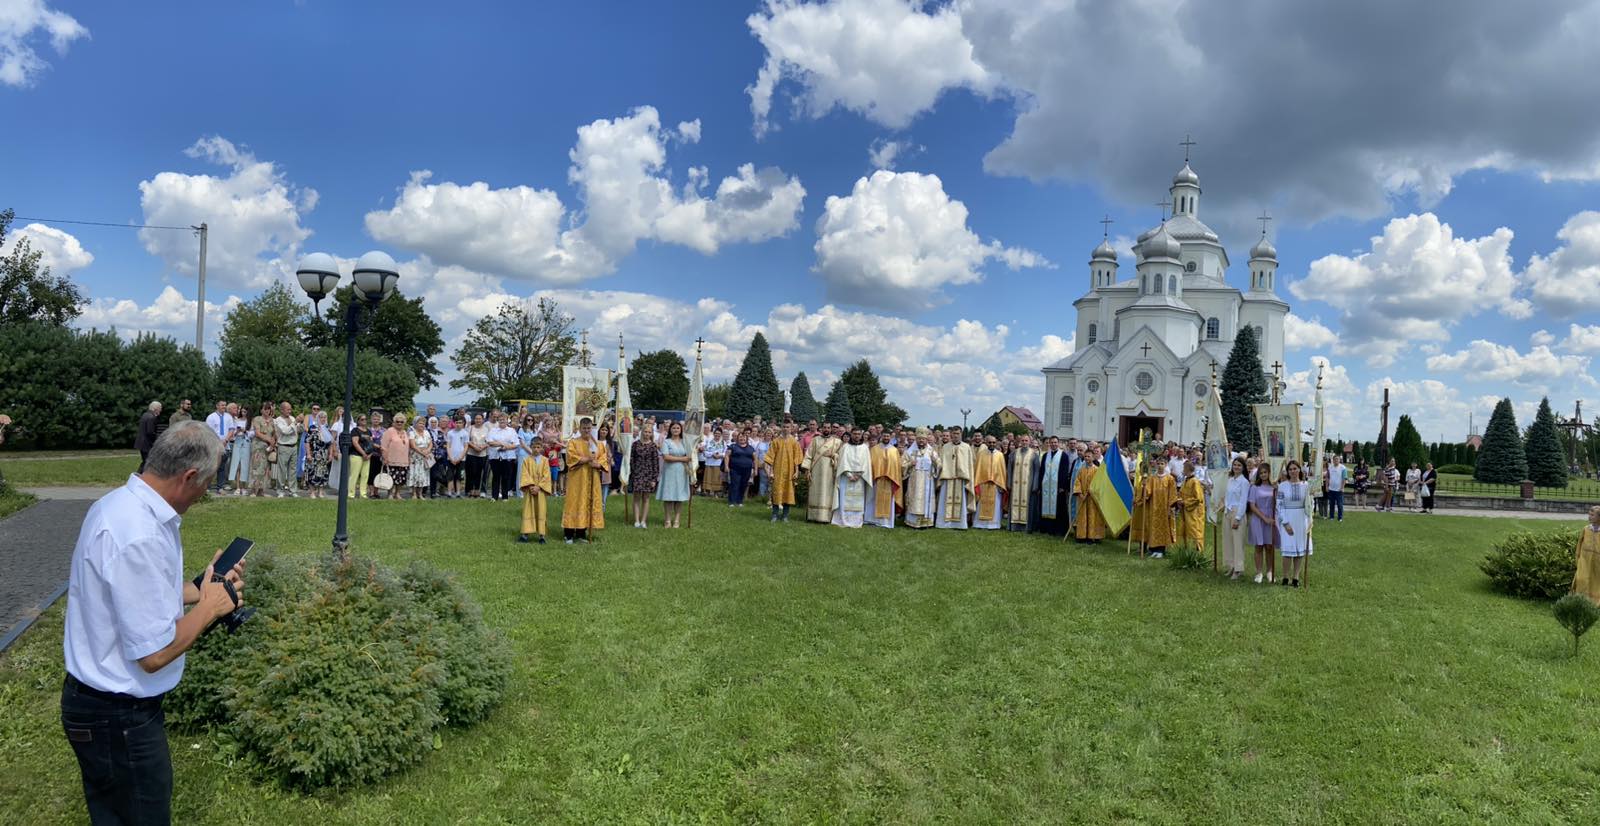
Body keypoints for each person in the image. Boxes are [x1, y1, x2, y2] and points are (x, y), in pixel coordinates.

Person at [60, 421, 246, 826]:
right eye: (208, 484)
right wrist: (211, 608)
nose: (205, 494)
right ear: (189, 476)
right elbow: (154, 652)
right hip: (118, 717)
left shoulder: (118, 506)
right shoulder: (139, 533)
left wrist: (201, 588)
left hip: (103, 710)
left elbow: (136, 595)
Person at [562, 417, 608, 543]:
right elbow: (571, 458)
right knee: (574, 503)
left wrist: (598, 464)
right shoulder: (573, 442)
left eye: (589, 428)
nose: (586, 431)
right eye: (584, 428)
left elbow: (603, 459)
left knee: (587, 503)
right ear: (580, 429)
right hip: (577, 479)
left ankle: (582, 533)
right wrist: (588, 459)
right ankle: (569, 534)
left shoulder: (597, 444)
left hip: (592, 478)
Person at [1277, 460, 1311, 587]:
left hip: (1301, 518)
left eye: (1295, 468)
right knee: (1287, 549)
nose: (1293, 471)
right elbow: (1279, 505)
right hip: (1287, 517)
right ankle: (1285, 577)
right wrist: (1285, 522)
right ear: (1288, 471)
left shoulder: (1306, 485)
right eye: (1290, 469)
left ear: (1299, 470)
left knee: (1299, 549)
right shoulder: (1282, 486)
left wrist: (1309, 518)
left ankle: (1295, 577)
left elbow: (1309, 503)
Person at [1032, 436, 1073, 537]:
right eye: (1052, 442)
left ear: (1058, 443)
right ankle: (1046, 528)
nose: (1053, 444)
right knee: (1045, 507)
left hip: (1058, 488)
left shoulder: (1063, 456)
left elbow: (1065, 472)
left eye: (1055, 442)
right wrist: (1040, 486)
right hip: (1046, 487)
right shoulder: (1046, 455)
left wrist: (1062, 486)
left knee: (1059, 508)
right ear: (1049, 444)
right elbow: (1042, 471)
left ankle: (1058, 530)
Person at [801, 424, 843, 523]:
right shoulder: (815, 440)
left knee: (827, 492)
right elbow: (809, 455)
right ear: (821, 428)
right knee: (815, 490)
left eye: (828, 428)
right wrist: (807, 470)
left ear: (831, 429)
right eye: (825, 427)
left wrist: (835, 456)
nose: (826, 429)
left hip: (830, 470)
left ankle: (826, 517)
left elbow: (841, 456)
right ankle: (812, 516)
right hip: (816, 469)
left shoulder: (837, 442)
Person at [830, 430, 872, 528]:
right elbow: (842, 462)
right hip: (846, 477)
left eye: (858, 434)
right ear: (851, 435)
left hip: (860, 478)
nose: (857, 436)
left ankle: (856, 521)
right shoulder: (845, 447)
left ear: (861, 435)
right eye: (855, 434)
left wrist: (858, 475)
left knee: (858, 500)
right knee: (844, 499)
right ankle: (843, 520)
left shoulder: (865, 448)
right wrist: (849, 475)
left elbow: (866, 464)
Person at [935, 427, 975, 529]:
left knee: (960, 502)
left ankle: (960, 524)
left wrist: (968, 476)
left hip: (961, 478)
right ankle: (943, 523)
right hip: (947, 478)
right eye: (953, 433)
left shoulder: (966, 447)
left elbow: (969, 464)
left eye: (957, 433)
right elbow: (941, 461)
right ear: (951, 434)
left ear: (961, 434)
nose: (955, 435)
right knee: (945, 501)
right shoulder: (946, 447)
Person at [1137, 463, 1178, 559]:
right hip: (1154, 507)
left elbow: (1173, 493)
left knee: (1163, 529)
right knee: (1153, 528)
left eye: (1162, 464)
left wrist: (1170, 507)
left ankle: (1161, 550)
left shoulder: (1170, 479)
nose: (1160, 465)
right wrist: (1144, 487)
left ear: (1165, 465)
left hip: (1164, 508)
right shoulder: (1152, 478)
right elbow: (1148, 492)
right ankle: (1153, 549)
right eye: (1158, 464)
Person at [764, 422, 802, 523]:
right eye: (784, 427)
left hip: (790, 472)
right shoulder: (776, 442)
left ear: (791, 428)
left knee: (788, 494)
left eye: (788, 427)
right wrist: (770, 472)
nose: (786, 429)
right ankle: (775, 515)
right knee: (776, 492)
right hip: (778, 472)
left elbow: (797, 458)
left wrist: (797, 471)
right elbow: (771, 457)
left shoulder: (794, 442)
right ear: (781, 428)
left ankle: (785, 515)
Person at [1247, 465, 1278, 584]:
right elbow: (1252, 506)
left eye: (1265, 472)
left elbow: (1278, 502)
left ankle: (1269, 571)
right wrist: (1264, 518)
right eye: (1261, 473)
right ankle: (1259, 572)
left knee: (1269, 546)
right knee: (1259, 546)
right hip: (1258, 517)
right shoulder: (1255, 487)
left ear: (1270, 473)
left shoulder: (1274, 487)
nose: (1263, 475)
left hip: (1271, 517)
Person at [518, 443, 553, 544]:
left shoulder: (545, 460)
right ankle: (525, 534)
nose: (536, 449)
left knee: (541, 511)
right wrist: (531, 486)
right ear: (531, 447)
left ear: (542, 448)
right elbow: (525, 474)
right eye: (534, 447)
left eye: (538, 447)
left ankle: (542, 535)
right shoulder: (526, 460)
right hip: (530, 490)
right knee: (528, 510)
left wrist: (539, 487)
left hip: (540, 490)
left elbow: (546, 475)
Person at [1221, 457, 1250, 580]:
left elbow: (1243, 501)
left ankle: (1238, 569)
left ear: (1243, 467)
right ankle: (1231, 565)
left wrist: (1238, 518)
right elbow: (1226, 496)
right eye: (1235, 465)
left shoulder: (1244, 482)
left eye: (1239, 465)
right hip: (1228, 511)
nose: (1236, 467)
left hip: (1237, 512)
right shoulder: (1230, 480)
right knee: (1228, 540)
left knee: (1238, 542)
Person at [865, 431, 902, 528]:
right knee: (873, 499)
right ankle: (872, 520)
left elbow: (897, 466)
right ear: (881, 436)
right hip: (877, 479)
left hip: (890, 480)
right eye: (884, 435)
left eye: (888, 436)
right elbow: (871, 464)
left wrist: (891, 474)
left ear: (890, 437)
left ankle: (886, 522)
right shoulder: (874, 449)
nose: (886, 437)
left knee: (888, 500)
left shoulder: (894, 450)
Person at [658, 421, 691, 528]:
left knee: (679, 497)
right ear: (670, 430)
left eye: (678, 428)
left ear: (681, 430)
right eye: (673, 428)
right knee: (669, 496)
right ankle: (667, 519)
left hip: (682, 472)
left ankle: (677, 520)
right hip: (669, 471)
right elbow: (666, 457)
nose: (676, 430)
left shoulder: (685, 442)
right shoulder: (666, 442)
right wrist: (682, 458)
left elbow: (690, 455)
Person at [971, 435, 1007, 530]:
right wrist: (978, 482)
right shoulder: (981, 454)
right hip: (983, 483)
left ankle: (993, 524)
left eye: (994, 442)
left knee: (995, 505)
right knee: (981, 504)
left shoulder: (1000, 455)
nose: (992, 444)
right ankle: (980, 524)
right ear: (986, 443)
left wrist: (1000, 483)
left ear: (996, 443)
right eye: (990, 442)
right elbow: (978, 469)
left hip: (995, 484)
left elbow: (1002, 470)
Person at [628, 427, 661, 528]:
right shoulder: (635, 444)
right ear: (642, 432)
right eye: (645, 432)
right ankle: (636, 520)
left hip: (648, 474)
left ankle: (643, 521)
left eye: (649, 432)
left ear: (651, 433)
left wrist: (654, 479)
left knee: (646, 497)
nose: (647, 434)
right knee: (636, 497)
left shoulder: (653, 446)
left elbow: (655, 463)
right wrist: (632, 473)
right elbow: (631, 459)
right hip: (637, 473)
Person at [1073, 445, 1106, 543]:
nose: (1087, 458)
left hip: (1093, 499)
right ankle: (1082, 535)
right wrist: (1080, 494)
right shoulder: (1081, 470)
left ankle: (1093, 536)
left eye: (1089, 456)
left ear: (1093, 457)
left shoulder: (1097, 470)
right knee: (1083, 516)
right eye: (1086, 456)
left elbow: (1099, 483)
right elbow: (1077, 482)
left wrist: (1092, 491)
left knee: (1093, 516)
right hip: (1082, 497)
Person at [1008, 436, 1039, 532]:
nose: (1024, 442)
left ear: (1029, 442)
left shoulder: (1034, 454)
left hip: (1028, 486)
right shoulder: (1013, 453)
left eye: (1026, 440)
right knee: (1014, 504)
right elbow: (1009, 469)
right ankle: (1013, 526)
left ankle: (1027, 528)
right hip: (1015, 485)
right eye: (1023, 440)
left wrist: (1035, 485)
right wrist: (1009, 482)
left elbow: (1037, 471)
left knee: (1028, 506)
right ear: (1020, 442)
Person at [272, 402, 301, 498]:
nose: (290, 411)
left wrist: (300, 424)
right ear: (282, 410)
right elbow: (285, 431)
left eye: (290, 409)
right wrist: (295, 422)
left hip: (294, 446)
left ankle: (292, 490)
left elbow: (297, 431)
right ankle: (280, 490)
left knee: (292, 470)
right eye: (288, 409)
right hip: (284, 446)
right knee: (282, 470)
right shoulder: (278, 420)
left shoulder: (292, 418)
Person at [381, 413, 412, 499]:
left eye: (401, 422)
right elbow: (384, 446)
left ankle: (397, 493)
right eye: (397, 421)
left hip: (403, 460)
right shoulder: (389, 431)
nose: (399, 423)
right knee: (391, 477)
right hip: (391, 459)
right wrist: (385, 457)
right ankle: (390, 493)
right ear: (394, 422)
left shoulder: (405, 432)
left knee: (401, 478)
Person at [204, 401, 233, 492]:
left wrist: (226, 440)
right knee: (211, 467)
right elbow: (208, 431)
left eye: (225, 405)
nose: (224, 407)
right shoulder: (211, 417)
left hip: (225, 445)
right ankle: (207, 487)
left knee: (222, 467)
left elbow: (231, 429)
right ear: (217, 406)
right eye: (222, 405)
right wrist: (218, 441)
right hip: (214, 444)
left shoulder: (228, 417)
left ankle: (220, 487)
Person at [1572, 506, 1600, 602]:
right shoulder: (1586, 529)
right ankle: (1579, 600)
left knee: (1595, 582)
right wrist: (1578, 558)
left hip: (1597, 562)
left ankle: (1594, 602)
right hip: (1584, 560)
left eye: (1592, 515)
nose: (1589, 517)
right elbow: (1579, 544)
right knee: (1581, 579)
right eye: (1589, 514)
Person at [1178, 460, 1206, 553]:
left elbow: (1198, 498)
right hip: (1186, 511)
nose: (1183, 470)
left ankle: (1197, 551)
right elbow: (1182, 493)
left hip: (1194, 512)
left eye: (1184, 468)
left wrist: (1184, 502)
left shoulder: (1195, 481)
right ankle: (1187, 550)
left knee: (1194, 530)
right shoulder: (1186, 480)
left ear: (1188, 469)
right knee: (1186, 529)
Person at [305, 410, 334, 499]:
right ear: (318, 418)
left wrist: (330, 454)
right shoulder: (313, 428)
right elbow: (307, 441)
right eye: (321, 417)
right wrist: (308, 454)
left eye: (325, 417)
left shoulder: (328, 428)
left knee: (323, 473)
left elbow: (331, 443)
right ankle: (312, 492)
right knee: (312, 472)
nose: (323, 419)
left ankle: (321, 492)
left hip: (324, 454)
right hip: (314, 453)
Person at [725, 431, 756, 507]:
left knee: (743, 485)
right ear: (738, 438)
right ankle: (731, 501)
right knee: (735, 484)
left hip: (747, 470)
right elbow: (727, 456)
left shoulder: (751, 448)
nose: (742, 438)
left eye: (744, 437)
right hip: (735, 469)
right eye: (740, 437)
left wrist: (756, 470)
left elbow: (755, 459)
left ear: (747, 439)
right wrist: (726, 466)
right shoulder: (732, 446)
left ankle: (739, 501)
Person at [409, 417, 434, 501]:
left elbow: (431, 444)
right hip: (415, 457)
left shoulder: (427, 432)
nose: (421, 425)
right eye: (420, 423)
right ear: (415, 424)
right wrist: (423, 453)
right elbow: (413, 445)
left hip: (425, 458)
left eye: (423, 424)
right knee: (415, 474)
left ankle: (420, 494)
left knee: (423, 476)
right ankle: (414, 494)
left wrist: (427, 451)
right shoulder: (412, 433)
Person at [348, 413, 372, 499]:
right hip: (356, 455)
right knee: (354, 475)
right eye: (362, 419)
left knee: (365, 475)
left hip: (367, 456)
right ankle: (351, 494)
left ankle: (363, 493)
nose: (364, 421)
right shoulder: (355, 430)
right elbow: (355, 443)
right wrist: (363, 453)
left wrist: (370, 454)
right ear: (358, 421)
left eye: (365, 419)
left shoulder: (368, 431)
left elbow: (371, 443)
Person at [465, 413, 489, 498]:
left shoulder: (486, 429)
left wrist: (482, 447)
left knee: (479, 473)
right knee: (471, 473)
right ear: (474, 420)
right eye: (476, 419)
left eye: (480, 419)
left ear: (483, 420)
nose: (478, 420)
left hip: (482, 454)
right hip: (471, 453)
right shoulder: (470, 428)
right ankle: (470, 490)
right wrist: (475, 447)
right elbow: (467, 440)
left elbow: (489, 441)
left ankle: (477, 490)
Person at [135, 401, 162, 473]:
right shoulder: (152, 417)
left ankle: (139, 476)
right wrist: (157, 440)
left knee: (146, 462)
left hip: (141, 443)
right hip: (146, 444)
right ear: (156, 408)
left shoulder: (145, 415)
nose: (161, 410)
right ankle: (140, 476)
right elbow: (150, 432)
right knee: (148, 462)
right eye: (160, 408)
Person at [700, 428, 728, 498]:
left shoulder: (723, 443)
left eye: (719, 434)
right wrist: (712, 454)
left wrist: (720, 455)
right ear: (714, 434)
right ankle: (708, 492)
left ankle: (716, 493)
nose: (717, 435)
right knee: (709, 477)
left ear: (721, 435)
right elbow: (705, 452)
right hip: (709, 463)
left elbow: (726, 453)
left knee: (717, 478)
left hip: (718, 463)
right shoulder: (709, 442)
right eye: (716, 433)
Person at [446, 415, 469, 499]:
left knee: (459, 476)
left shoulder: (465, 433)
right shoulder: (450, 433)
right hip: (451, 458)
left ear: (463, 424)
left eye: (460, 423)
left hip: (461, 459)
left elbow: (466, 446)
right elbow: (448, 446)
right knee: (450, 476)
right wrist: (451, 457)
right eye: (457, 422)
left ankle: (458, 492)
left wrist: (460, 457)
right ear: (454, 423)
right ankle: (449, 492)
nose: (458, 424)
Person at [1325, 454, 1348, 522]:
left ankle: (1340, 518)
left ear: (1339, 460)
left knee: (1340, 505)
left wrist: (1342, 487)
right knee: (1331, 504)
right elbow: (1327, 477)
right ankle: (1331, 517)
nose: (1336, 460)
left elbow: (1344, 478)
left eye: (1337, 459)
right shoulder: (1330, 467)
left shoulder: (1343, 468)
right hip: (1331, 489)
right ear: (1333, 460)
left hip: (1339, 490)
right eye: (1334, 459)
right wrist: (1327, 486)